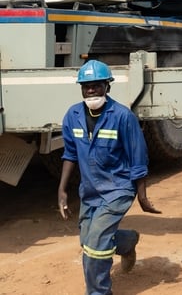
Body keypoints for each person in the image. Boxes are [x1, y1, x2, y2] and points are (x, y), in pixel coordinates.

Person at [57, 60, 160, 295]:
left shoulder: (123, 117)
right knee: (87, 240)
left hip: (118, 189)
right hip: (90, 190)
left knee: (94, 247)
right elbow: (70, 154)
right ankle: (127, 241)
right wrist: (62, 190)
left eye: (96, 85)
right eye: (86, 86)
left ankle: (98, 291)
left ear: (107, 87)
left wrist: (142, 196)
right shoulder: (72, 116)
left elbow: (138, 159)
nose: (91, 90)